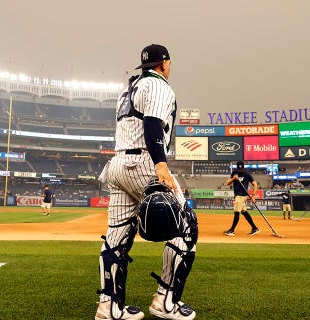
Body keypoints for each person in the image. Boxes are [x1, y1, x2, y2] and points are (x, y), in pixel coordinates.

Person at [94, 44, 198, 320]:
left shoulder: (129, 88)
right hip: (144, 163)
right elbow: (152, 124)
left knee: (115, 237)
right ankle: (166, 302)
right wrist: (161, 165)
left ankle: (109, 307)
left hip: (117, 165)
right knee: (186, 225)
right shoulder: (160, 86)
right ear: (164, 63)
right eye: (169, 63)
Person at [223, 161, 259, 236]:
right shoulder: (234, 173)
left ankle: (232, 230)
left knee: (236, 211)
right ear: (237, 168)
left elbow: (255, 184)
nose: (240, 170)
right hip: (237, 194)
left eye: (241, 169)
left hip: (242, 195)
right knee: (244, 212)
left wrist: (253, 195)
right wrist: (233, 178)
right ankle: (254, 228)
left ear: (243, 167)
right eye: (239, 169)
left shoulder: (247, 174)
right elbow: (228, 183)